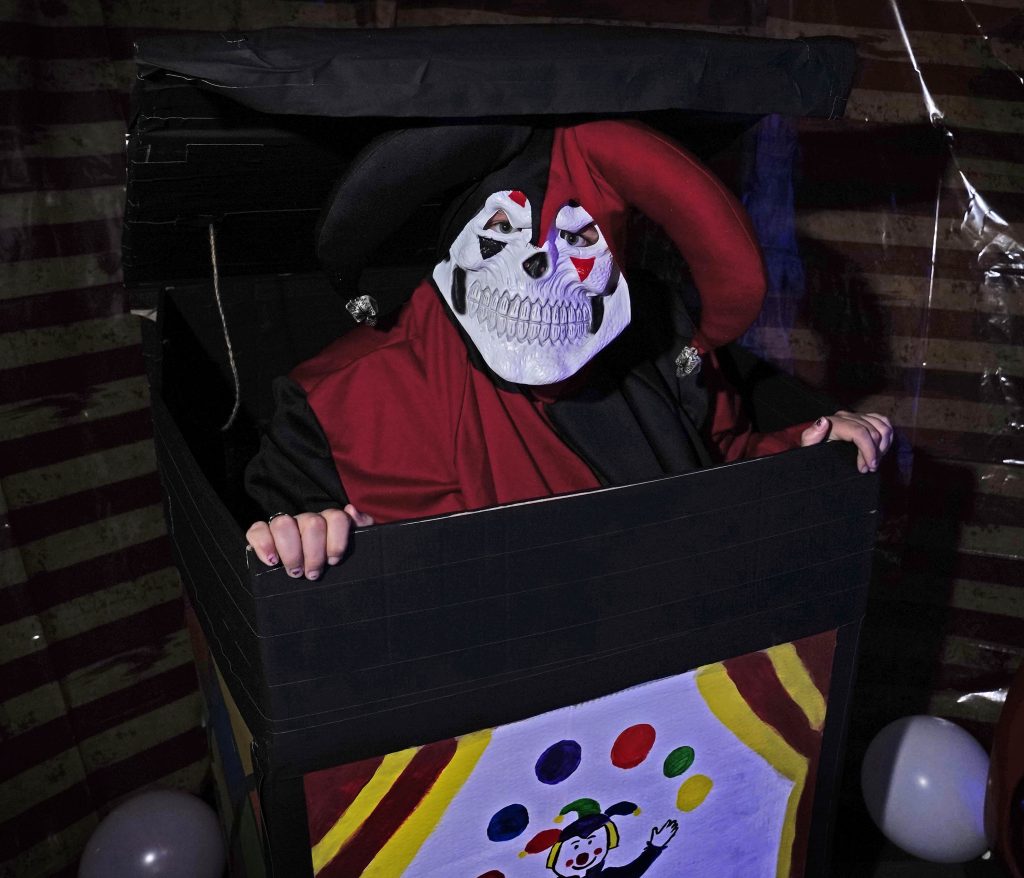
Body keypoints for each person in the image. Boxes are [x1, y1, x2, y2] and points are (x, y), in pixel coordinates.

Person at [245, 121, 892, 580]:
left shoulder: (666, 349)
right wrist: (298, 537)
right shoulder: (334, 402)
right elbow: (287, 545)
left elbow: (725, 469)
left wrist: (807, 448)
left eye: (577, 237)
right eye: (504, 227)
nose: (538, 261)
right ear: (457, 248)